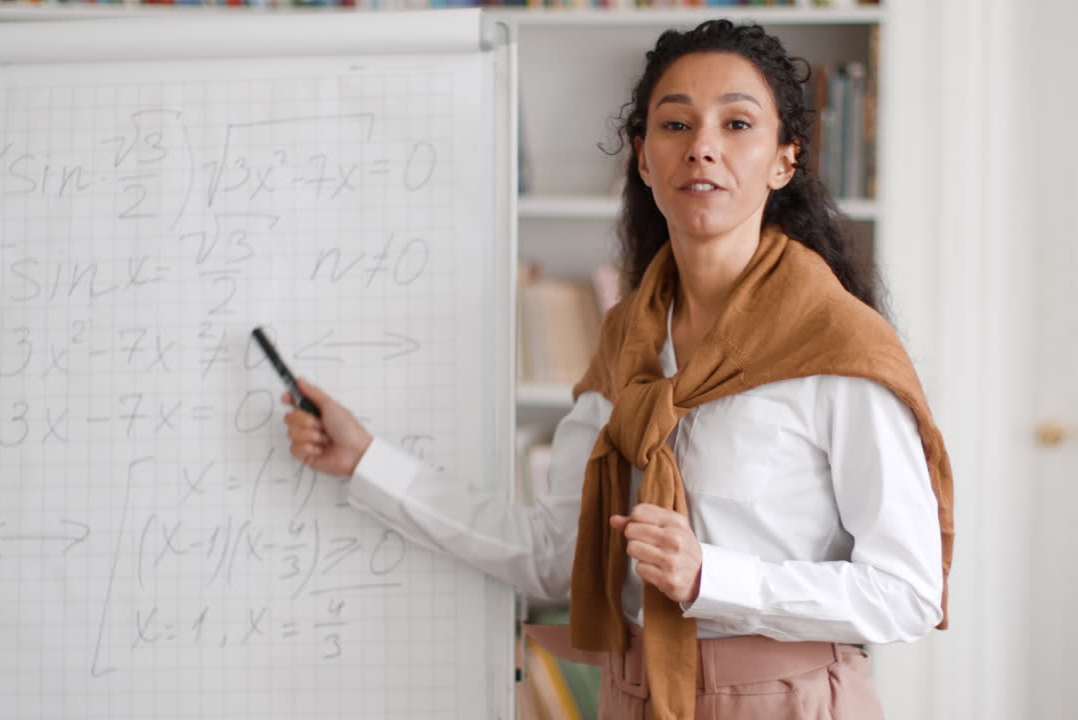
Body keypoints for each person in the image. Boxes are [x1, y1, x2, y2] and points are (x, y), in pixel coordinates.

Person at [282, 19, 953, 720]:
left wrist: (711, 577)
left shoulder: (837, 344)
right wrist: (367, 462)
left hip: (789, 703)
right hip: (631, 698)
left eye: (737, 123)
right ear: (642, 158)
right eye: (675, 124)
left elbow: (908, 592)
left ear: (784, 160)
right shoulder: (624, 341)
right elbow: (551, 555)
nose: (702, 148)